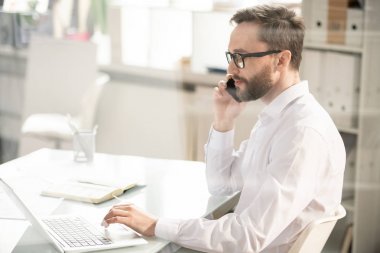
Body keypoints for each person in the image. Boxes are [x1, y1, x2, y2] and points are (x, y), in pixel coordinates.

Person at [102, 5, 346, 252]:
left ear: (280, 60)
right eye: (230, 57)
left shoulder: (301, 133)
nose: (231, 69)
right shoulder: (277, 119)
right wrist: (223, 122)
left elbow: (246, 237)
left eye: (241, 57)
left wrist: (156, 225)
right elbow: (221, 186)